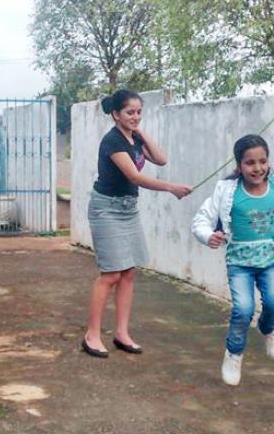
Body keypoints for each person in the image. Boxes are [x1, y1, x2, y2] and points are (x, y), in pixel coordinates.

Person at [192, 134, 274, 386]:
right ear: (238, 165)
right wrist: (208, 236)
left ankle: (267, 328)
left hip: (270, 260)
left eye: (262, 161)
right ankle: (234, 353)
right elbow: (202, 219)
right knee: (243, 309)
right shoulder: (226, 191)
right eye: (250, 163)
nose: (257, 168)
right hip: (239, 263)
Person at [82, 89, 193, 358]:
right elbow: (135, 177)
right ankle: (92, 335)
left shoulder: (134, 139)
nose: (136, 117)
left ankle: (122, 333)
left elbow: (161, 158)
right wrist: (171, 188)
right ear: (116, 114)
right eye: (130, 112)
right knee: (111, 274)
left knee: (129, 272)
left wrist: (140, 133)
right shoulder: (113, 142)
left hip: (128, 209)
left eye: (139, 112)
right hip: (106, 209)